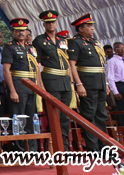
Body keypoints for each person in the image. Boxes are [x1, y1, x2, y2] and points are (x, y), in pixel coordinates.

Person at [32, 10, 73, 149]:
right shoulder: (39, 41)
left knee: (65, 116)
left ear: (57, 23)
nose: (51, 24)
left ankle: (65, 147)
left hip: (65, 80)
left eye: (53, 22)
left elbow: (68, 61)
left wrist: (72, 81)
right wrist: (40, 85)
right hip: (50, 79)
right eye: (48, 22)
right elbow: (36, 64)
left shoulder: (63, 40)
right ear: (43, 24)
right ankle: (55, 147)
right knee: (54, 115)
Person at [69, 13, 109, 151]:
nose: (92, 28)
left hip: (100, 82)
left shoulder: (95, 42)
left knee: (101, 115)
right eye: (89, 26)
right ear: (80, 29)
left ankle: (104, 147)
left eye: (92, 26)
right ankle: (93, 148)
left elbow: (101, 65)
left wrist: (106, 83)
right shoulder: (75, 42)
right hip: (88, 83)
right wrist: (79, 84)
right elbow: (72, 65)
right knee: (89, 115)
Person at [2, 18, 41, 152]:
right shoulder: (9, 47)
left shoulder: (31, 48)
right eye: (18, 30)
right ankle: (19, 151)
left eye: (23, 30)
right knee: (18, 118)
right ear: (13, 32)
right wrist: (12, 90)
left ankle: (32, 150)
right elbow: (6, 70)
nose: (21, 33)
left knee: (32, 118)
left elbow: (36, 69)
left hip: (32, 86)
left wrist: (39, 88)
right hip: (18, 85)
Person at [107, 42, 124, 126]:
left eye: (123, 48)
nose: (122, 50)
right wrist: (115, 92)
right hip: (120, 85)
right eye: (120, 49)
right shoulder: (112, 61)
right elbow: (110, 78)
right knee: (121, 109)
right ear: (115, 50)